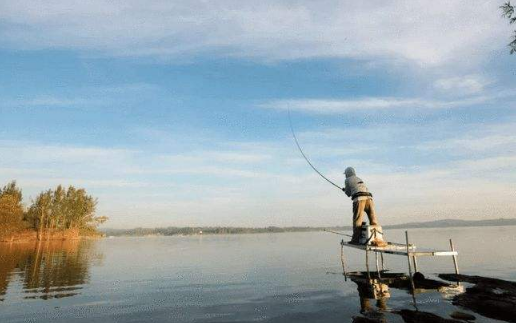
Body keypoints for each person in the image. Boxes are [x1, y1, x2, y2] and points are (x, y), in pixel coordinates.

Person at [343, 167, 378, 244]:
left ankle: (355, 240)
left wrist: (345, 190)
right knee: (373, 220)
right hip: (369, 198)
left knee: (358, 220)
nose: (345, 176)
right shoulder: (359, 178)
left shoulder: (347, 180)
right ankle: (377, 238)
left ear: (347, 174)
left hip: (359, 199)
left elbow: (348, 193)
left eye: (345, 174)